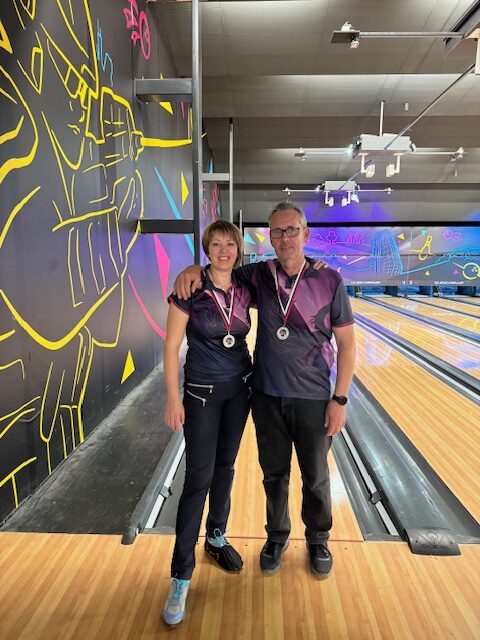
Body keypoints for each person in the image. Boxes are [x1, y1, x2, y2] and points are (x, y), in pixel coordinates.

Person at [174, 201, 355, 581]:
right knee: (274, 475)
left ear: (305, 234)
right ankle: (276, 537)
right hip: (266, 394)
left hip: (313, 396)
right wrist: (191, 268)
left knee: (316, 476)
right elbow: (218, 269)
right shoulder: (258, 274)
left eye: (292, 230)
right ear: (270, 237)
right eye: (277, 231)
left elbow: (347, 343)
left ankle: (318, 539)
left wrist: (340, 399)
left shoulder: (329, 280)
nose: (285, 238)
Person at [162, 220, 254, 627]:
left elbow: (286, 271)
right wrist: (172, 398)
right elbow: (170, 348)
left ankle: (216, 536)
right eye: (215, 244)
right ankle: (181, 575)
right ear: (206, 249)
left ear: (238, 249)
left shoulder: (246, 285)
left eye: (229, 244)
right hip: (200, 395)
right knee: (197, 480)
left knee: (225, 468)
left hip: (240, 391)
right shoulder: (190, 289)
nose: (223, 250)